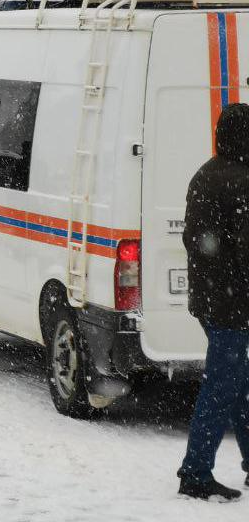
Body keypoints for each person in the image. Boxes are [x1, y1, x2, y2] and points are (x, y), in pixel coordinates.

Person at [176, 103, 249, 501]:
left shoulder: (205, 174)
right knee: (223, 385)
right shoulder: (241, 181)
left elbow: (195, 239)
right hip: (232, 303)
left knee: (239, 382)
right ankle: (195, 471)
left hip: (207, 299)